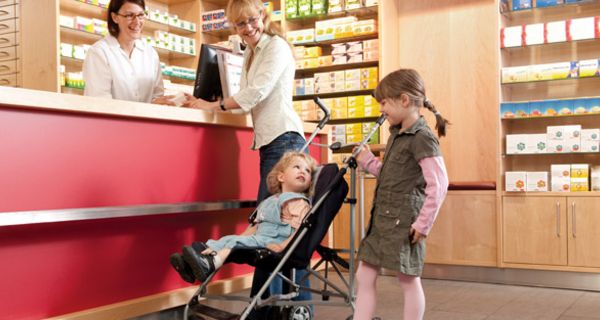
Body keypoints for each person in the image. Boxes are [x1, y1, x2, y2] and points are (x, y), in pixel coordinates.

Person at [182, 0, 311, 312]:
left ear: (262, 16)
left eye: (252, 20)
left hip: (284, 139)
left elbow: (258, 92)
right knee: (275, 223)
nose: (248, 28)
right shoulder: (252, 52)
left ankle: (261, 305)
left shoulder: (276, 46)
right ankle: (281, 302)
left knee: (268, 223)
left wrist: (214, 106)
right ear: (233, 27)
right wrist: (205, 100)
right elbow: (245, 101)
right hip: (271, 143)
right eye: (240, 24)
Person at [352, 69, 450, 320]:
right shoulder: (396, 134)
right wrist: (368, 161)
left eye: (384, 103)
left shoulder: (422, 138)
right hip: (382, 220)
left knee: (407, 279)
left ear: (404, 100)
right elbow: (393, 174)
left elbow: (438, 184)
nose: (381, 110)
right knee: (364, 274)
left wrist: (423, 224)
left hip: (405, 222)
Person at [170, 151, 316, 283]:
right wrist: (239, 238)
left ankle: (209, 264)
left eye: (307, 170)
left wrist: (282, 246)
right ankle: (192, 263)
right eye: (297, 167)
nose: (303, 171)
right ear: (281, 176)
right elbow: (256, 227)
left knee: (234, 244)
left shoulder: (299, 202)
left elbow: (300, 231)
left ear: (310, 182)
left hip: (276, 241)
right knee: (229, 239)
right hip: (262, 237)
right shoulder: (270, 201)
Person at [82, 0, 173, 105]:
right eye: (129, 15)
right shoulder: (99, 52)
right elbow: (100, 103)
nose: (137, 22)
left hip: (147, 121)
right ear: (115, 17)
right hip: (112, 121)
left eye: (141, 15)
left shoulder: (150, 54)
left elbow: (157, 96)